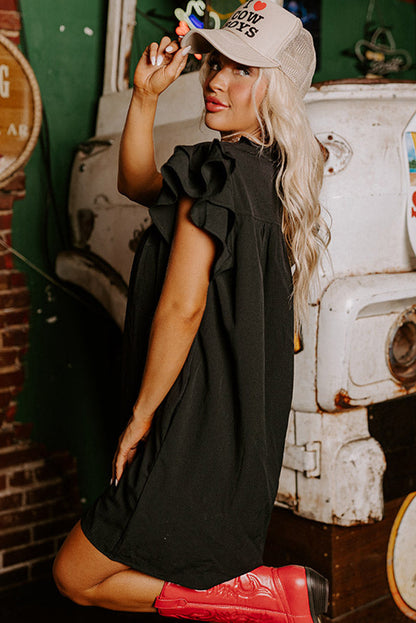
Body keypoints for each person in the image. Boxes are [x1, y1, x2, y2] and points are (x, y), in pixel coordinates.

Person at [53, 2, 330, 621]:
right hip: (235, 418)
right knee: (164, 563)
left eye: (242, 70)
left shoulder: (220, 175)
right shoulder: (270, 173)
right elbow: (138, 185)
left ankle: (265, 598)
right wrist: (146, 96)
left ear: (276, 88)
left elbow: (182, 306)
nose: (216, 81)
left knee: (75, 575)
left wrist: (140, 418)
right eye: (215, 63)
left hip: (189, 416)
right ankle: (262, 600)